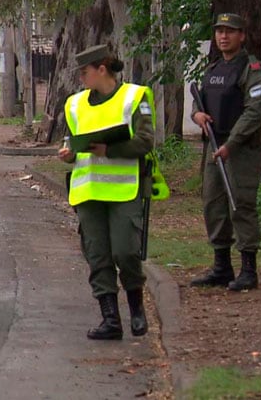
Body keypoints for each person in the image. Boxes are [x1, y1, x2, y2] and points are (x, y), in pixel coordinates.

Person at [58, 44, 161, 340]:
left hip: (124, 190)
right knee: (97, 256)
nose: (81, 78)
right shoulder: (74, 104)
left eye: (85, 72)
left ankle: (136, 310)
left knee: (126, 252)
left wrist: (111, 149)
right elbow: (72, 140)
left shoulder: (136, 96)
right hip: (88, 192)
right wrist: (67, 153)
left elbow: (145, 142)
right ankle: (110, 319)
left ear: (102, 69)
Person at [189, 13, 261, 291]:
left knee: (240, 204)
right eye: (219, 31)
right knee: (213, 205)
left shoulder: (252, 68)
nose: (223, 36)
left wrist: (230, 145)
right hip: (214, 146)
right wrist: (197, 115)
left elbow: (255, 111)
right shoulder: (212, 70)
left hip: (240, 149)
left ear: (241, 35)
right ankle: (221, 266)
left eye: (230, 31)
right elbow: (199, 103)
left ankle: (249, 269)